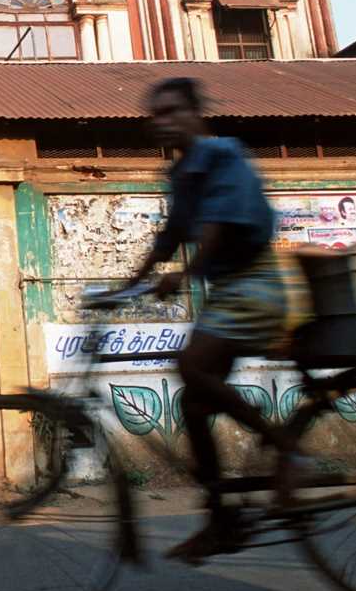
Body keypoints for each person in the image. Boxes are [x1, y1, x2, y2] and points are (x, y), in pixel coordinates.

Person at [122, 77, 289, 564]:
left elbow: (219, 225)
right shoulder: (181, 175)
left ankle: (283, 446)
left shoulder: (223, 157)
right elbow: (169, 237)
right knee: (194, 407)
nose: (163, 122)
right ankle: (220, 519)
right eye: (156, 114)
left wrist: (184, 275)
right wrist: (125, 284)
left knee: (191, 367)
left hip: (257, 287)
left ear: (197, 114)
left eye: (172, 111)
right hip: (227, 293)